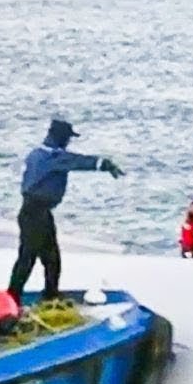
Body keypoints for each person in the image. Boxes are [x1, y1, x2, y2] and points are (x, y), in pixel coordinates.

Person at [7, 119, 124, 307]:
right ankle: (13, 299)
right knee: (29, 258)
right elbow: (77, 161)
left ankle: (48, 295)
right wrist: (105, 164)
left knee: (50, 258)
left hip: (36, 211)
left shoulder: (36, 154)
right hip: (35, 213)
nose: (69, 142)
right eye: (67, 138)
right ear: (60, 138)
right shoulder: (53, 156)